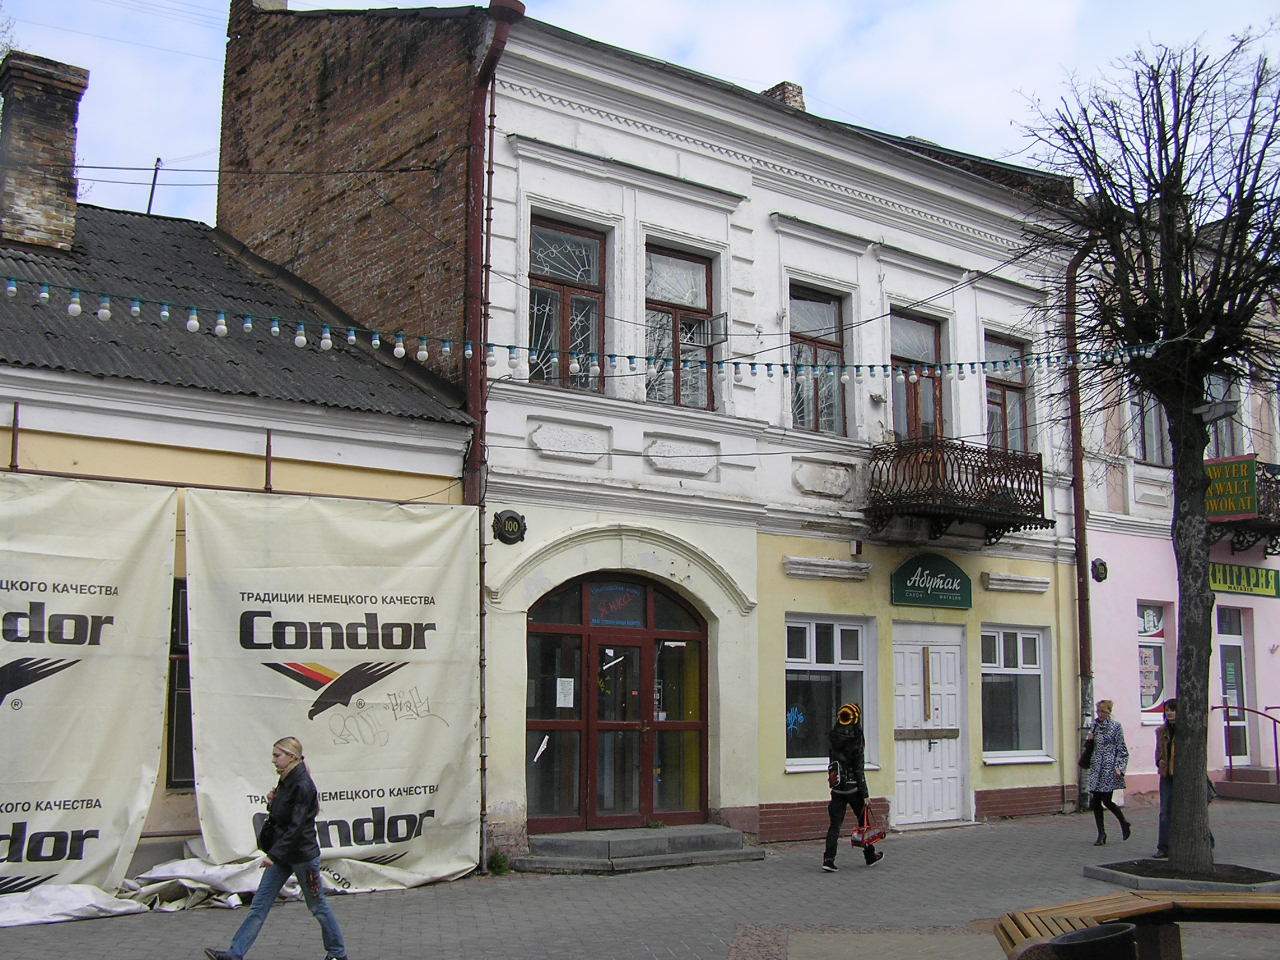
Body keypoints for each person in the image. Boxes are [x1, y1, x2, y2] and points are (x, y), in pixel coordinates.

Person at [205, 737, 349, 960]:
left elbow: (296, 827)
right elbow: (283, 817)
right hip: (282, 856)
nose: (273, 760)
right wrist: (272, 802)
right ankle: (234, 954)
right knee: (259, 905)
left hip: (302, 856)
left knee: (317, 906)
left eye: (277, 755)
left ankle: (337, 953)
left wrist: (273, 855)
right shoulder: (286, 779)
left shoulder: (302, 785)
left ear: (291, 757)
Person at [821, 702, 883, 872]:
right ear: (855, 719)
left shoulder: (833, 737)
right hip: (854, 789)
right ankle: (869, 856)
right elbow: (859, 770)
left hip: (837, 788)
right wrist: (865, 794)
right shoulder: (856, 739)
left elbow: (832, 763)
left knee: (834, 826)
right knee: (863, 823)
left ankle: (828, 860)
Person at [1085, 699, 1131, 846]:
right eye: (1098, 711)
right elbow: (1089, 746)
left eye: (1103, 711)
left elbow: (1122, 749)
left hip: (1109, 767)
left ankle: (1123, 822)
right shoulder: (1094, 725)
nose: (1100, 714)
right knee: (1095, 801)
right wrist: (1089, 739)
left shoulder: (1115, 726)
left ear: (1109, 712)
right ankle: (1101, 833)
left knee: (1106, 800)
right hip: (1096, 766)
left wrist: (1119, 767)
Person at [1154, 697, 1176, 859]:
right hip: (1167, 775)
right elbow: (1158, 751)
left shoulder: (1186, 730)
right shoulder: (1161, 731)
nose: (1169, 713)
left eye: (1172, 710)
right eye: (1167, 710)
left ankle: (1206, 840)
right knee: (1165, 811)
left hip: (1182, 775)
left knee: (1188, 809)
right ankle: (1163, 847)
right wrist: (1159, 761)